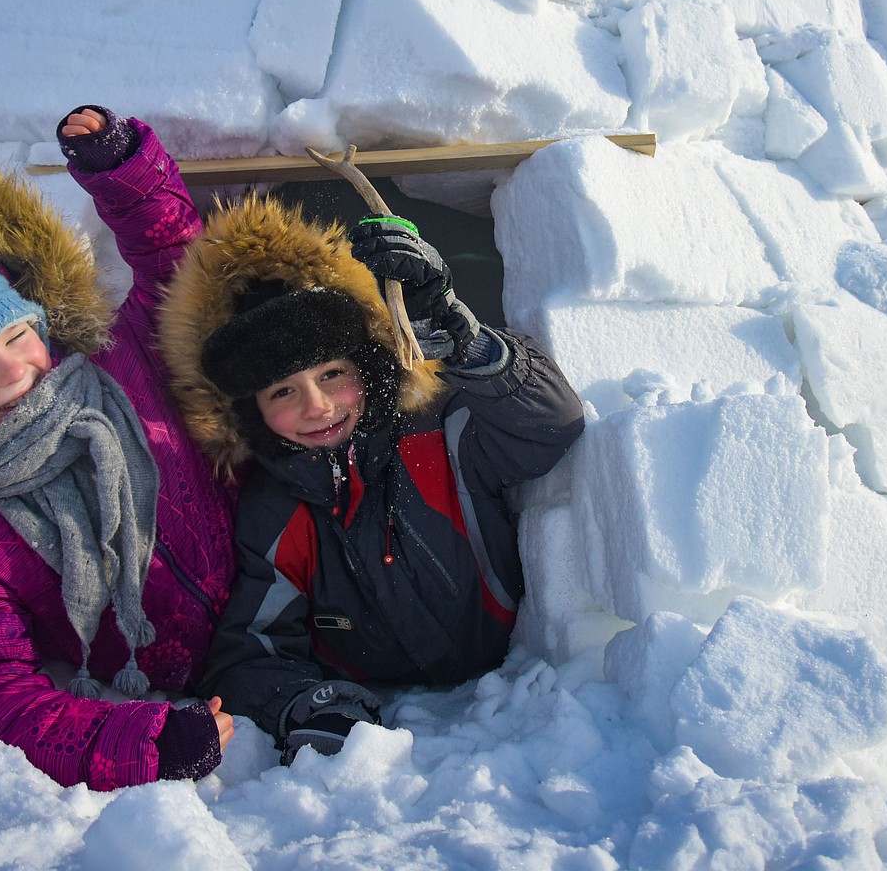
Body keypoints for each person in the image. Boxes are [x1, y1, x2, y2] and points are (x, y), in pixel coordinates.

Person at [0, 106, 239, 790]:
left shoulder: (124, 362)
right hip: (152, 684)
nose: (9, 372)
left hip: (274, 608)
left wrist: (121, 170)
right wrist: (139, 742)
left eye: (12, 337)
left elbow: (179, 262)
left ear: (39, 317)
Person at [156, 194, 585, 765]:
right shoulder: (274, 505)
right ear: (249, 412)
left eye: (333, 374)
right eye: (282, 391)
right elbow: (248, 650)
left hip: (513, 697)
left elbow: (549, 427)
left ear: (369, 366)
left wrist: (466, 337)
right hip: (369, 691)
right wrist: (308, 703)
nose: (318, 406)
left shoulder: (441, 431)